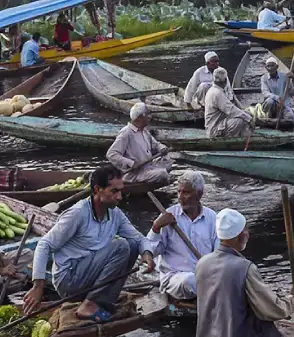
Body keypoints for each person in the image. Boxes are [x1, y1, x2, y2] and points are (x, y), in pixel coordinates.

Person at [24, 164, 152, 323]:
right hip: (69, 280)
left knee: (133, 245)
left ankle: (104, 302)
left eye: (120, 191)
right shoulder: (77, 214)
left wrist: (147, 253)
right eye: (114, 191)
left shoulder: (115, 213)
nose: (120, 196)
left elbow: (138, 238)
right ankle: (89, 304)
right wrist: (38, 286)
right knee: (121, 246)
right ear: (98, 189)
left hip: (89, 276)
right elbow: (44, 245)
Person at [191, 208, 294, 337]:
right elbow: (273, 310)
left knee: (276, 325)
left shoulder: (202, 263)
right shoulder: (245, 267)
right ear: (240, 235)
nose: (247, 233)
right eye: (245, 230)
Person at [143, 171, 218, 300]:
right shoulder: (168, 216)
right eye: (179, 192)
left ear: (199, 194)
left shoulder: (212, 217)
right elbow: (150, 252)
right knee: (189, 280)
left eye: (186, 192)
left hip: (204, 276)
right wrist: (156, 227)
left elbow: (219, 252)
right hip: (175, 278)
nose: (180, 197)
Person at [106, 102, 172, 184]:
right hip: (135, 173)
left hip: (148, 167)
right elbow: (111, 154)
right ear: (140, 117)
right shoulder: (126, 133)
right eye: (147, 115)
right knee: (162, 173)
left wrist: (162, 148)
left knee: (169, 162)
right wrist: (131, 163)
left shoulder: (144, 131)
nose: (149, 117)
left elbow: (156, 144)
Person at [204, 67, 254, 139]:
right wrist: (249, 119)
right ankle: (230, 138)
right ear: (224, 81)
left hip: (219, 122)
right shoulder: (217, 93)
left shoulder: (216, 90)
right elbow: (231, 110)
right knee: (240, 120)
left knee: (246, 114)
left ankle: (241, 133)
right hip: (214, 129)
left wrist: (246, 114)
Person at [258, 56, 294, 126]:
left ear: (277, 67)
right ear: (266, 68)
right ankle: (269, 117)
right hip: (270, 105)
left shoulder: (284, 76)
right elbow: (265, 92)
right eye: (268, 66)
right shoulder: (264, 78)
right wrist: (277, 98)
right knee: (270, 101)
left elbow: (293, 92)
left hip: (284, 105)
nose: (270, 68)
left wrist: (293, 80)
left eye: (272, 66)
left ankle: (279, 119)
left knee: (290, 118)